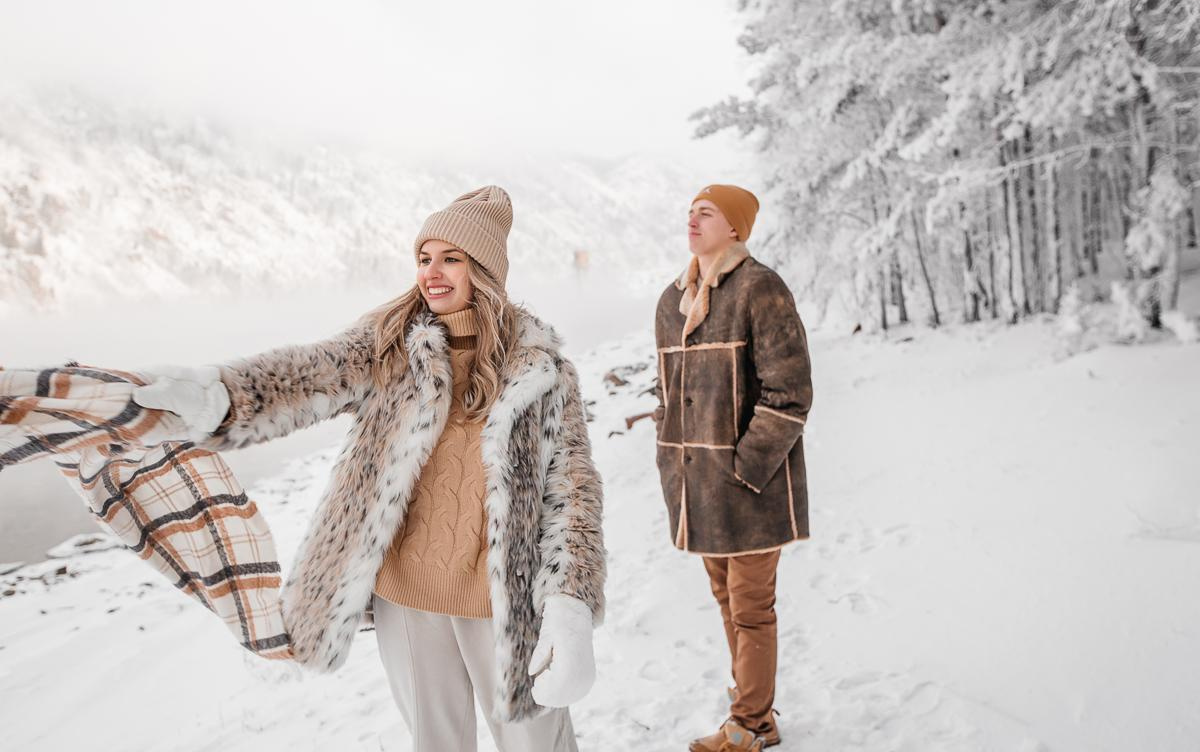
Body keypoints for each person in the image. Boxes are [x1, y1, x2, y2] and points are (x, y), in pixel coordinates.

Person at [134, 185, 606, 752]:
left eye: (450, 258)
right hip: (405, 595)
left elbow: (573, 493)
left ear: (483, 269)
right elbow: (308, 373)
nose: (432, 273)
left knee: (538, 745)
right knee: (436, 744)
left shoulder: (540, 370)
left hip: (504, 598)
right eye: (424, 258)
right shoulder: (391, 347)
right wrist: (219, 394)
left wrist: (571, 604)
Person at [652, 184, 812, 752]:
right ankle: (754, 707)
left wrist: (747, 467)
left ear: (736, 227)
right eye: (689, 210)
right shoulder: (673, 301)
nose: (692, 220)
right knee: (728, 601)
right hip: (699, 488)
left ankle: (749, 723)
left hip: (750, 485)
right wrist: (669, 451)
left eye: (706, 213)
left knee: (750, 607)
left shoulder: (759, 288)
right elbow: (667, 392)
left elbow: (790, 393)